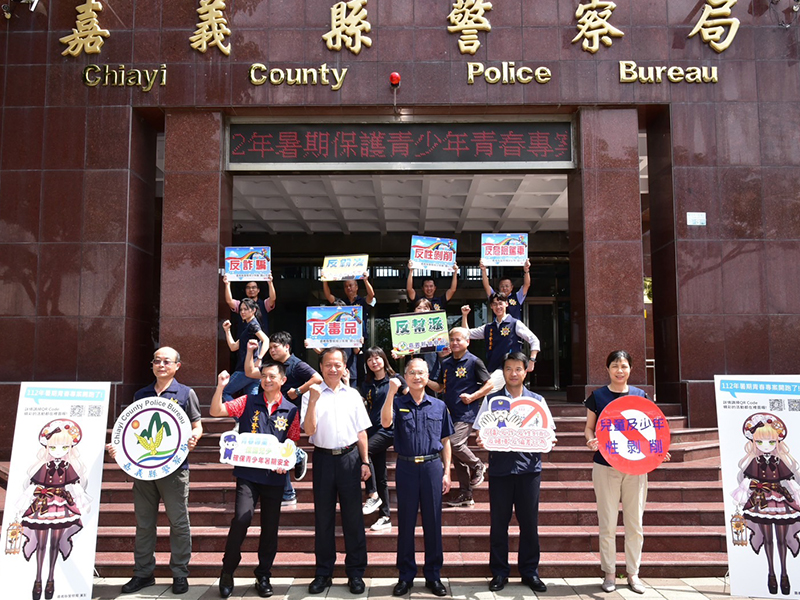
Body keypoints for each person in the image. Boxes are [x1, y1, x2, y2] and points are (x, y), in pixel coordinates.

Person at [106, 347, 202, 595]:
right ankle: (143, 573)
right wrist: (118, 449)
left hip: (174, 468)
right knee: (144, 523)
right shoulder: (141, 394)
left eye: (166, 361)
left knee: (179, 522)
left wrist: (194, 438)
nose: (161, 365)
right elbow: (127, 431)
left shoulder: (185, 393)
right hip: (144, 470)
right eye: (157, 360)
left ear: (177, 365)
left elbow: (197, 425)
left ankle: (180, 573)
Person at [210, 361, 301, 599]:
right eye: (264, 376)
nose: (267, 380)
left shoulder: (291, 409)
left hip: (274, 478)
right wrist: (220, 387)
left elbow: (292, 442)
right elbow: (216, 411)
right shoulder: (247, 402)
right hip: (248, 474)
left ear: (282, 380)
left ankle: (263, 575)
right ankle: (227, 571)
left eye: (272, 376)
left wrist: (286, 462)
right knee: (241, 518)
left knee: (270, 529)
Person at [584, 350, 669, 594]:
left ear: (630, 369)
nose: (619, 371)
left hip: (637, 468)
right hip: (605, 466)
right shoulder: (598, 396)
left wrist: (659, 451)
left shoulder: (640, 396)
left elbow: (654, 428)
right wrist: (591, 440)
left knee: (635, 524)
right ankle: (609, 573)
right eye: (615, 366)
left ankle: (633, 574)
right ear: (607, 368)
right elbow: (589, 428)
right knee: (607, 523)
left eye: (624, 366)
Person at [473, 352, 553, 593]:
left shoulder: (537, 401)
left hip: (529, 470)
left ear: (526, 370)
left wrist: (550, 439)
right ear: (503, 372)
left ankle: (530, 572)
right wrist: (481, 439)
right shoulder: (491, 400)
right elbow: (480, 431)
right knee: (499, 523)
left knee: (529, 523)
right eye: (509, 369)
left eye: (519, 368)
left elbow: (549, 431)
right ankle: (499, 572)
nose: (514, 373)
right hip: (500, 470)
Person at [382, 358, 453, 597]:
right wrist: (391, 393)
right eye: (412, 372)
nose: (417, 376)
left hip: (433, 467)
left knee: (433, 523)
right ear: (406, 375)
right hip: (407, 468)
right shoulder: (398, 402)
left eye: (421, 372)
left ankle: (433, 576)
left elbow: (445, 441)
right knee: (406, 524)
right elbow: (385, 422)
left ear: (427, 376)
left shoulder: (438, 406)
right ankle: (405, 576)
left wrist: (447, 471)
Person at [304, 347, 372, 595]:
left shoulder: (353, 395)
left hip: (350, 459)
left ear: (345, 367)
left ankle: (355, 573)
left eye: (337, 364)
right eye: (328, 364)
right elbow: (309, 430)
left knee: (353, 518)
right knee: (323, 519)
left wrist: (365, 462)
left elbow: (362, 432)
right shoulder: (311, 393)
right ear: (321, 367)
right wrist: (312, 400)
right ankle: (323, 573)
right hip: (322, 459)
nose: (333, 369)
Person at [246, 331, 322, 506]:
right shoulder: (271, 365)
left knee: (280, 449)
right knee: (277, 450)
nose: (271, 350)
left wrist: (298, 391)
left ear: (287, 347)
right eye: (270, 347)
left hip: (287, 414)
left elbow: (317, 378)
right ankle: (291, 478)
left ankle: (288, 491)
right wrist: (251, 352)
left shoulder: (296, 364)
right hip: (270, 413)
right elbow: (250, 372)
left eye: (275, 347)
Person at [17, 419, 90, 600]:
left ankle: (51, 578)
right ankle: (38, 579)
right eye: (54, 447)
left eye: (64, 447)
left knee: (55, 544)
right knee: (42, 544)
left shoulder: (68, 467)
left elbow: (76, 486)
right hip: (43, 505)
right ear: (47, 447)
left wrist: (81, 502)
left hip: (61, 505)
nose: (59, 452)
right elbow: (32, 486)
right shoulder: (43, 466)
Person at [731, 413, 800, 596]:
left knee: (783, 539)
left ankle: (784, 574)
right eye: (760, 442)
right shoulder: (754, 461)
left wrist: (795, 492)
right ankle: (771, 573)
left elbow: (790, 479)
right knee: (768, 538)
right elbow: (746, 480)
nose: (766, 446)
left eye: (770, 441)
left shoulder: (779, 461)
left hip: (779, 500)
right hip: (761, 501)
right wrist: (742, 493)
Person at [427, 327, 493, 507]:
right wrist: (424, 380)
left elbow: (490, 385)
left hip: (466, 412)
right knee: (456, 455)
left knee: (455, 444)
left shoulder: (474, 361)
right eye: (452, 340)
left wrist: (473, 396)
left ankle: (478, 465)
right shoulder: (446, 363)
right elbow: (440, 387)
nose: (455, 343)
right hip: (448, 413)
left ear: (467, 341)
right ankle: (465, 494)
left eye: (458, 340)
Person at [360, 347, 399, 530]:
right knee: (381, 475)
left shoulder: (395, 380)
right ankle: (385, 517)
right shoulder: (367, 384)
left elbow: (409, 397)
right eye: (370, 359)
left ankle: (373, 495)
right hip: (372, 429)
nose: (374, 362)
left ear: (384, 359)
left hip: (389, 429)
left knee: (365, 452)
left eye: (377, 358)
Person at [461, 292, 540, 372]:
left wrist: (532, 360)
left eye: (500, 303)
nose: (498, 307)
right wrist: (464, 315)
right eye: (495, 304)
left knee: (489, 384)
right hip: (492, 368)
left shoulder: (515, 323)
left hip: (510, 370)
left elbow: (534, 340)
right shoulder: (488, 327)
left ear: (506, 304)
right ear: (491, 306)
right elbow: (465, 334)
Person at [322, 275, 376, 387]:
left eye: (351, 285)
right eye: (346, 286)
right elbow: (328, 295)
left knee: (359, 368)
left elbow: (371, 295)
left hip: (358, 340)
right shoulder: (342, 303)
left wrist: (365, 280)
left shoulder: (361, 301)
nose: (349, 288)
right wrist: (325, 279)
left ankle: (359, 391)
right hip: (341, 340)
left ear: (356, 287)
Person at [221, 298, 269, 401]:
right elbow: (233, 347)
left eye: (246, 309)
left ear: (253, 310)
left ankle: (240, 417)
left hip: (245, 369)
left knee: (224, 392)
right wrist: (227, 330)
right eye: (241, 309)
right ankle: (249, 417)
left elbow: (266, 340)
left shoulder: (253, 325)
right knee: (252, 402)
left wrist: (260, 358)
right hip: (253, 371)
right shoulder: (248, 327)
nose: (242, 312)